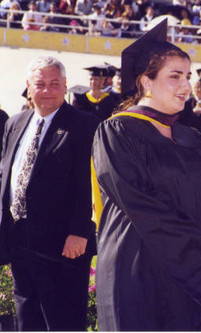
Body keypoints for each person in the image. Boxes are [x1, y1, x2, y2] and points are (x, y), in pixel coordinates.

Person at [92, 19, 201, 331]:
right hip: (140, 268)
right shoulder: (117, 131)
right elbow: (141, 204)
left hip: (192, 267)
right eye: (175, 76)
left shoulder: (190, 137)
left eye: (187, 75)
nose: (186, 85)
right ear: (146, 81)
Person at [0, 56, 99, 330]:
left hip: (64, 246)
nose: (47, 90)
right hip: (20, 240)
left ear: (65, 85)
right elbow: (8, 176)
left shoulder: (84, 125)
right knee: (26, 315)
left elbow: (88, 183)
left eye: (55, 84)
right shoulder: (15, 123)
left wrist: (79, 231)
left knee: (62, 319)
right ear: (29, 87)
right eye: (40, 84)